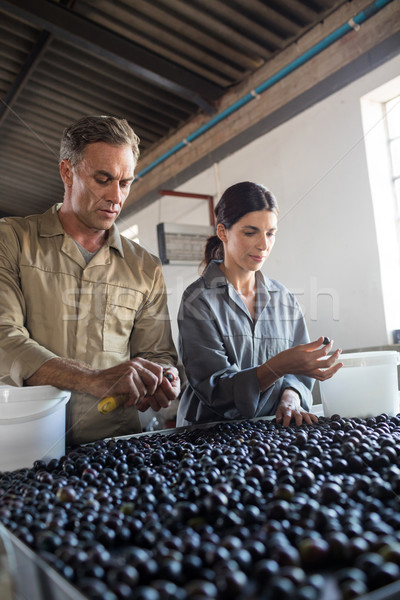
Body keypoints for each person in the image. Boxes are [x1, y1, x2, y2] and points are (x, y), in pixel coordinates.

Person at [0, 115, 180, 445]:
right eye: (103, 179)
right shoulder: (11, 240)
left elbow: (158, 353)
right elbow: (3, 337)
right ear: (67, 172)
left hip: (112, 445)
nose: (116, 197)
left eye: (125, 183)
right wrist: (91, 379)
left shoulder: (145, 267)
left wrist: (164, 377)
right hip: (24, 441)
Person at [176, 181, 342, 428]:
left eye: (270, 233)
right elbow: (216, 391)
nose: (263, 245)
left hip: (274, 428)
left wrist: (291, 396)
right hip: (210, 435)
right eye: (250, 232)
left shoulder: (284, 298)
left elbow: (298, 378)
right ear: (223, 232)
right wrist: (279, 366)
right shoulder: (198, 301)